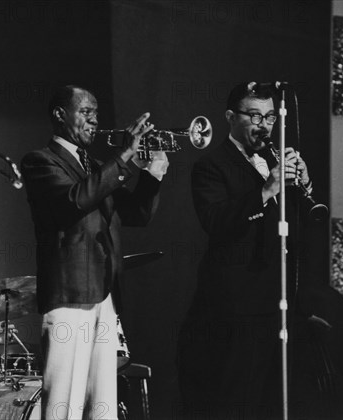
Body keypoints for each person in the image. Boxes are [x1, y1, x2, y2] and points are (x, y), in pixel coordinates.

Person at [21, 85, 168, 419]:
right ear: (60, 115)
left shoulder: (97, 166)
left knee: (102, 407)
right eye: (85, 112)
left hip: (104, 293)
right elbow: (72, 201)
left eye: (96, 114)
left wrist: (152, 173)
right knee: (64, 403)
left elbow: (136, 215)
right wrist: (124, 158)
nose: (93, 121)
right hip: (70, 294)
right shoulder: (40, 161)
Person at [179, 82, 315, 419]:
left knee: (272, 401)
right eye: (254, 116)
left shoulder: (272, 158)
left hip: (276, 301)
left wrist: (305, 186)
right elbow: (217, 223)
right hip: (235, 307)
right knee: (234, 401)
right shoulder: (211, 166)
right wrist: (267, 190)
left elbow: (296, 229)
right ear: (230, 117)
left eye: (269, 117)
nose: (264, 125)